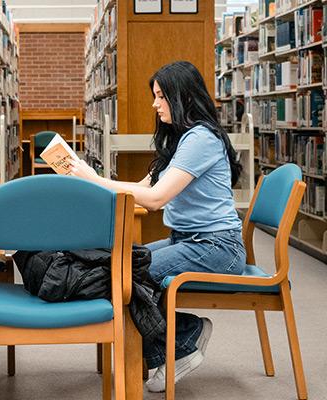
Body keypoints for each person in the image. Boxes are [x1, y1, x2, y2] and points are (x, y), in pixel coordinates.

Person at [70, 61, 246, 392]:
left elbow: (154, 200)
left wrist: (93, 180)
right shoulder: (181, 140)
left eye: (161, 96)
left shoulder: (202, 139)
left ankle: (183, 340)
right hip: (191, 240)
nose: (155, 104)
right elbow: (140, 190)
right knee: (120, 265)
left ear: (183, 97)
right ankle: (180, 340)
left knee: (126, 272)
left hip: (217, 247)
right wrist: (91, 187)